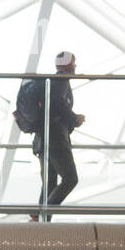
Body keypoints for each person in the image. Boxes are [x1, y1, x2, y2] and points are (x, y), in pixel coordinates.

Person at [30, 50, 85, 221]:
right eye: (74, 62)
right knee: (70, 179)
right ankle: (41, 214)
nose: (75, 65)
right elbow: (58, 103)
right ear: (68, 65)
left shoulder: (49, 82)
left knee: (49, 183)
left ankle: (39, 222)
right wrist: (75, 119)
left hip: (41, 139)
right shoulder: (61, 81)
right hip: (56, 140)